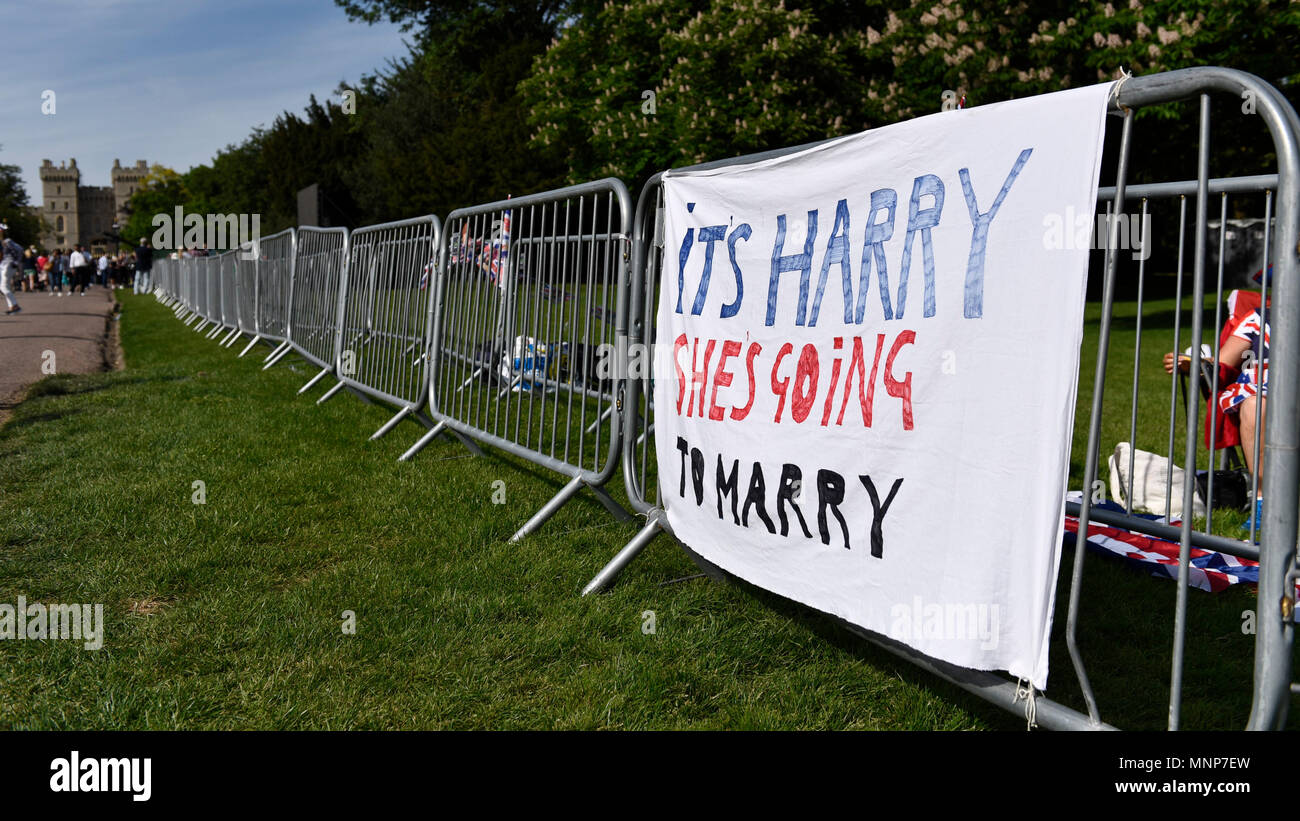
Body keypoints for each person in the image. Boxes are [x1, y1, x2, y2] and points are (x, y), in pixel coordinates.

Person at [1163, 310, 1269, 533]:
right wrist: (1191, 363)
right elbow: (1218, 363)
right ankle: (1263, 502)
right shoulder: (1259, 318)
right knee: (1254, 405)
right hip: (1266, 396)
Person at [0, 224, 23, 314]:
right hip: (3, 266)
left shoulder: (7, 241)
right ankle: (12, 306)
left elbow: (20, 250)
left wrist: (16, 262)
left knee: (3, 287)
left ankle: (15, 306)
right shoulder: (2, 242)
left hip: (8, 265)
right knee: (4, 287)